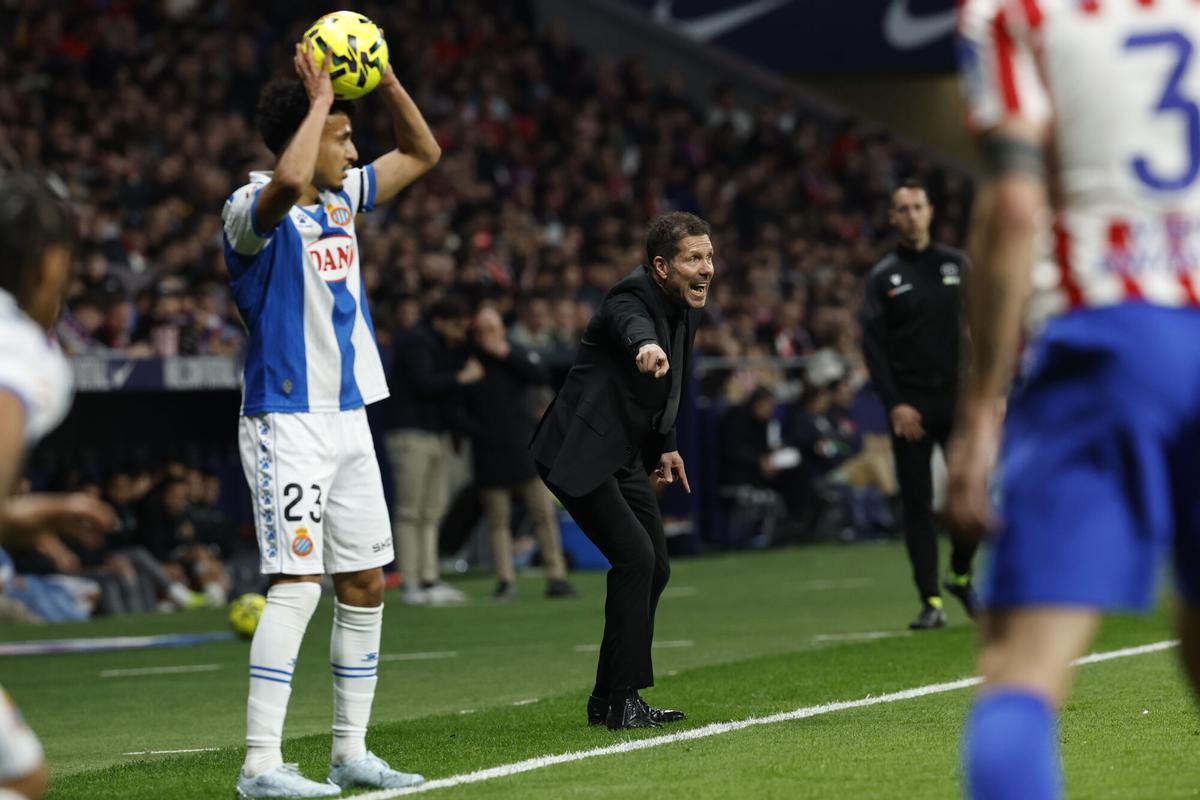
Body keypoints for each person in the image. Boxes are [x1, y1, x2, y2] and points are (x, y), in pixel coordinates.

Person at [948, 4, 1200, 799]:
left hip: (1111, 339)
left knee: (1019, 667)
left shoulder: (1012, 11)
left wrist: (981, 413)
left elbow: (1016, 207)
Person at [221, 41, 440, 798]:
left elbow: (424, 149)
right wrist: (318, 104)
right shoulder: (250, 209)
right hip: (287, 421)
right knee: (296, 583)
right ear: (308, 138)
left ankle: (350, 753)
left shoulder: (345, 199)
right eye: (344, 137)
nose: (353, 148)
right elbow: (288, 177)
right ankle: (260, 766)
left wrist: (384, 80)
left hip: (349, 418)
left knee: (367, 582)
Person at [530, 211, 712, 730]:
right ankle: (623, 700)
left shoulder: (686, 305)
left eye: (709, 257)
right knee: (635, 559)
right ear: (660, 266)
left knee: (655, 564)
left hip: (625, 451)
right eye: (693, 259)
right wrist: (645, 346)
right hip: (578, 451)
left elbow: (670, 388)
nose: (706, 269)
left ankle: (608, 696)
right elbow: (632, 329)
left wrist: (667, 446)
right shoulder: (630, 297)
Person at [0, 178, 118, 800]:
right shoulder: (22, 354)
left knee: (21, 774)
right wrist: (44, 510)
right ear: (45, 262)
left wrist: (29, 520)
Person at [861, 179, 979, 629]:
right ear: (893, 218)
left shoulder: (956, 264)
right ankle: (930, 601)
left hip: (959, 399)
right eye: (902, 209)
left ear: (930, 212)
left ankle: (961, 573)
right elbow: (873, 348)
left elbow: (981, 330)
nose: (911, 215)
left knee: (973, 493)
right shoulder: (883, 277)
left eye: (917, 206)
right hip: (911, 406)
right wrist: (894, 404)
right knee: (917, 503)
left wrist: (990, 391)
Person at [461, 306, 575, 601]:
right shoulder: (468, 360)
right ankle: (504, 579)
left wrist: (505, 353)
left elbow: (539, 375)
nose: (488, 336)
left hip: (521, 446)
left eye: (493, 329)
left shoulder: (513, 353)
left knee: (543, 513)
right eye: (483, 330)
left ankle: (556, 576)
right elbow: (458, 403)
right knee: (497, 520)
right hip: (488, 449)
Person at [384, 295, 479, 606]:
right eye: (456, 326)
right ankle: (410, 582)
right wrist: (460, 377)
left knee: (432, 511)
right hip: (410, 435)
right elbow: (424, 383)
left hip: (432, 435)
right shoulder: (416, 342)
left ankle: (429, 578)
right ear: (440, 321)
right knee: (411, 512)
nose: (460, 334)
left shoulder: (439, 346)